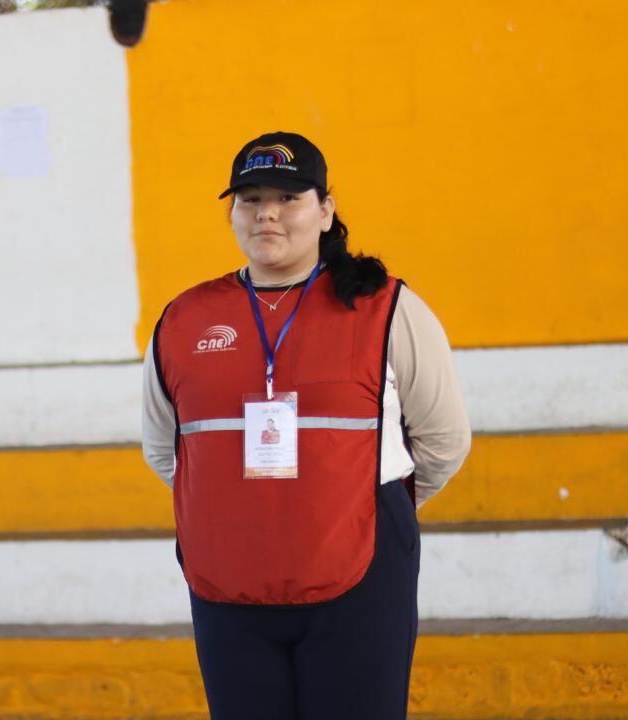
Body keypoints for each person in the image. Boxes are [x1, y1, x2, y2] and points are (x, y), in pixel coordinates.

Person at [141, 131, 471, 719]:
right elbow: (164, 448)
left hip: (361, 578)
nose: (267, 212)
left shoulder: (387, 309)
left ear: (325, 210)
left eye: (289, 197)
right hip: (227, 583)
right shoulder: (183, 319)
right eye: (250, 199)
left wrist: (358, 511)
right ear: (233, 215)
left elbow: (443, 441)